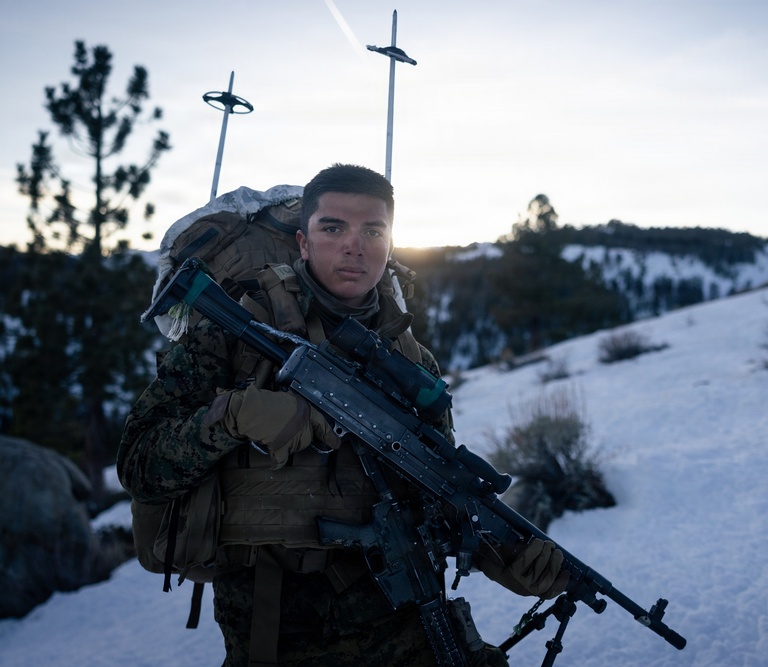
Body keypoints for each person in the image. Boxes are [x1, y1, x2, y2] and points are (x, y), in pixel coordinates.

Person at [118, 163, 567, 666]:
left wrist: (501, 556)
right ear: (303, 242)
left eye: (373, 231)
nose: (354, 246)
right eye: (333, 228)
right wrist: (233, 417)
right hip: (275, 634)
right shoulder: (227, 336)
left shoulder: (413, 364)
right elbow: (140, 468)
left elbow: (437, 490)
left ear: (389, 244)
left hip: (408, 623)